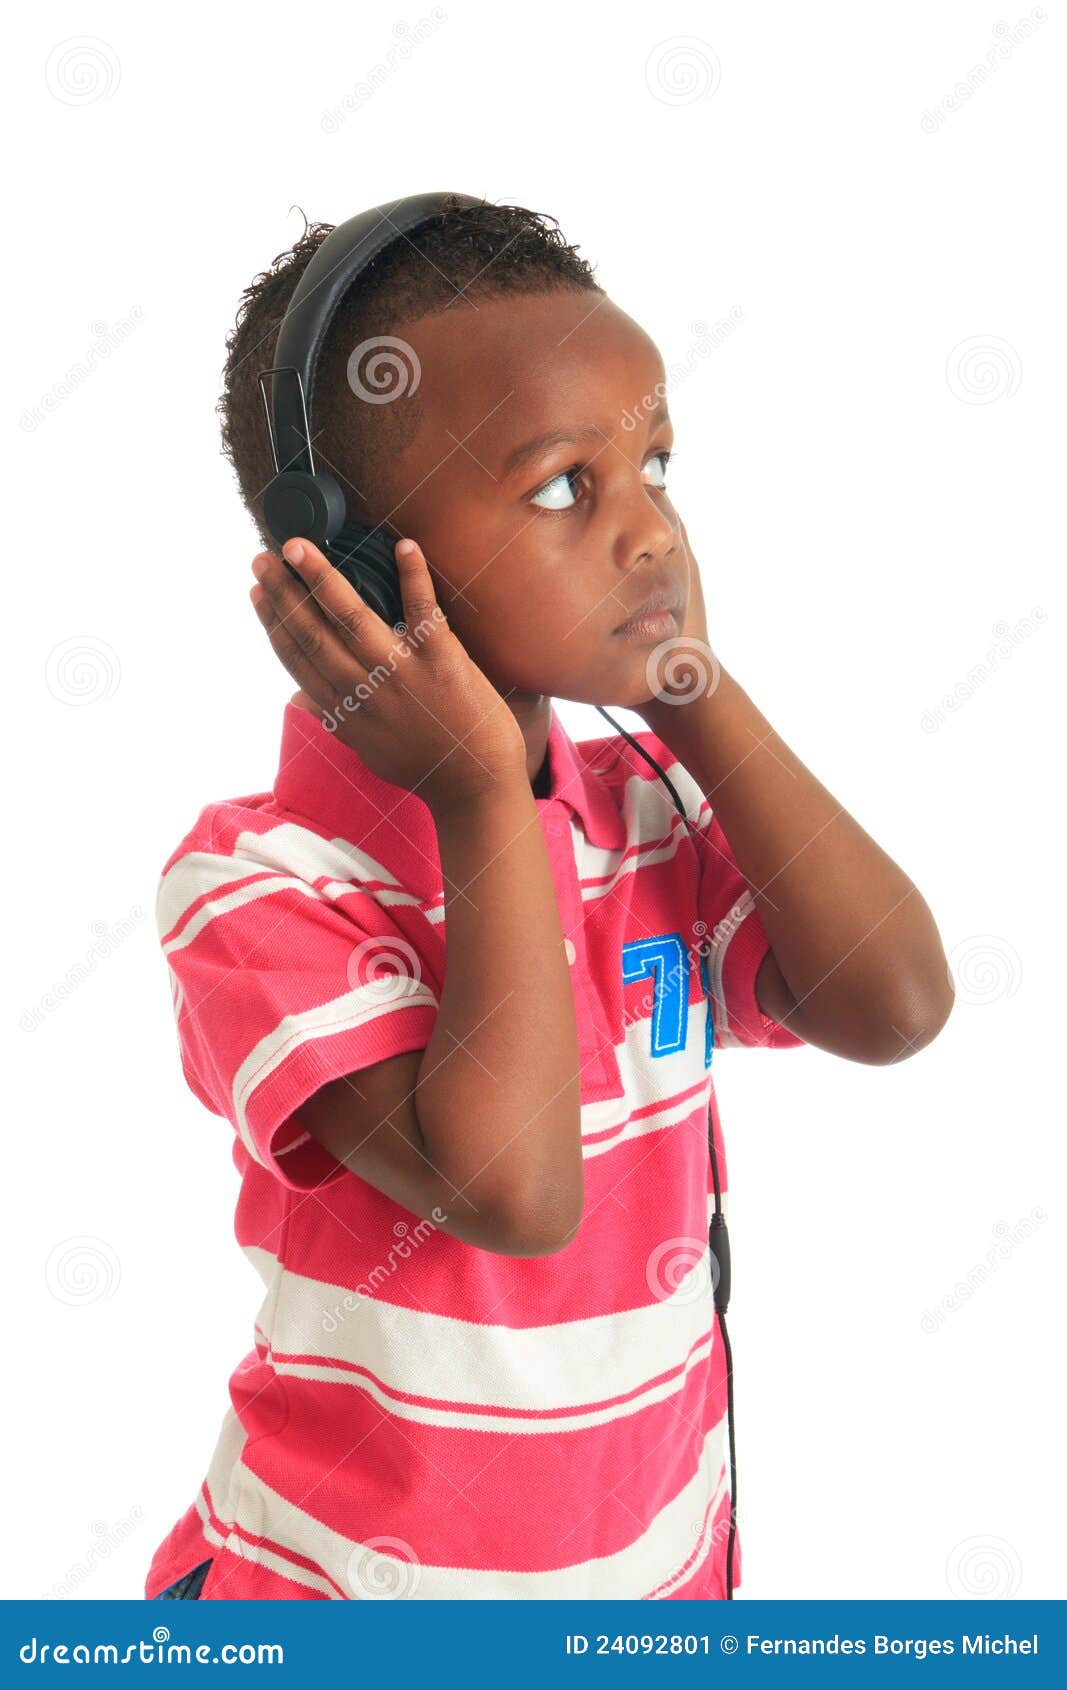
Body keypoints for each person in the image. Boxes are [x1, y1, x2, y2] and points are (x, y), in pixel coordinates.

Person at [145, 198, 953, 1601]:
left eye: (657, 464)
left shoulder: (655, 814)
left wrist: (693, 694)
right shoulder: (256, 888)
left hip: (654, 1585)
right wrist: (476, 799)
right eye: (568, 487)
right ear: (344, 558)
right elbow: (508, 1189)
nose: (649, 533)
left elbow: (898, 1001)